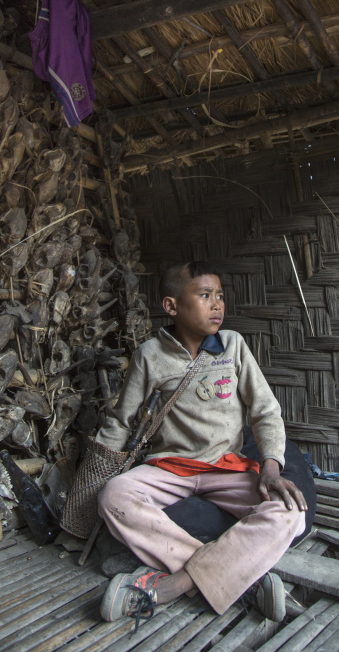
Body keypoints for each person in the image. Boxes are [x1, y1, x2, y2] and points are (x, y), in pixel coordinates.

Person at [96, 261, 308, 625]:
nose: (217, 305)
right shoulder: (150, 355)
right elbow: (121, 419)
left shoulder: (233, 346)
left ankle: (175, 585)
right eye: (205, 295)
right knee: (113, 496)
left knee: (291, 513)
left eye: (220, 296)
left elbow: (266, 412)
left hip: (226, 466)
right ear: (172, 306)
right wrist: (96, 471)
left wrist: (271, 468)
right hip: (169, 468)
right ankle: (244, 582)